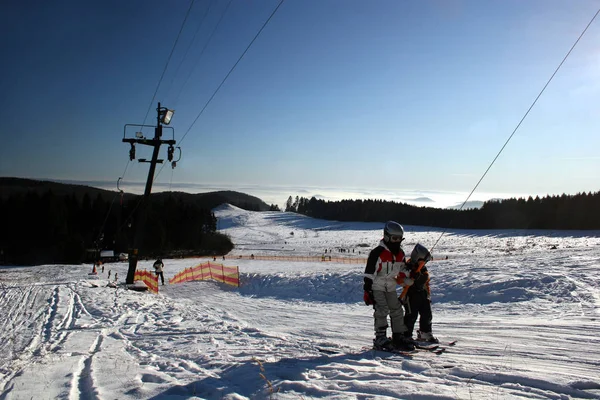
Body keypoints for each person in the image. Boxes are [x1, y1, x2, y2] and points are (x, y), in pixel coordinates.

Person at [363, 221, 415, 351]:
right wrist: (368, 289)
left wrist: (409, 275)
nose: (397, 241)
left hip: (390, 286)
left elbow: (402, 269)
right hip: (377, 286)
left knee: (397, 309)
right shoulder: (377, 253)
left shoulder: (400, 254)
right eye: (394, 238)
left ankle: (398, 336)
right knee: (382, 309)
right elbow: (369, 272)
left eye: (399, 239)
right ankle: (380, 337)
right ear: (386, 236)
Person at [400, 243, 438, 343]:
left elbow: (426, 282)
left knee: (427, 314)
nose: (424, 263)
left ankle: (425, 333)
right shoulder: (407, 267)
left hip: (422, 294)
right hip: (411, 294)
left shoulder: (423, 269)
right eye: (423, 261)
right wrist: (408, 278)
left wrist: (428, 294)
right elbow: (400, 278)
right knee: (411, 315)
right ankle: (405, 335)